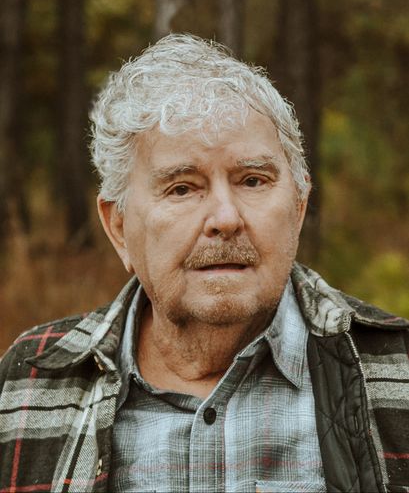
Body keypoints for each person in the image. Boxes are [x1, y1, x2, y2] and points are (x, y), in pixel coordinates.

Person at [0, 34, 408, 493]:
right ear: (119, 227)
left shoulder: (397, 372)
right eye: (182, 188)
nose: (226, 219)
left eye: (252, 181)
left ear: (297, 208)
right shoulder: (28, 384)